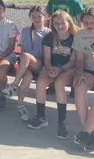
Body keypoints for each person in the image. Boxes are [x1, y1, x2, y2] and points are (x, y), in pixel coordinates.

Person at [27, 10, 77, 139]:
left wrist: (60, 69)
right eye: (56, 23)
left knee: (60, 83)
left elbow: (72, 61)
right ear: (52, 24)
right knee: (41, 82)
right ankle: (41, 117)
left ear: (68, 23)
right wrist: (49, 69)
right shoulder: (49, 37)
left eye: (62, 23)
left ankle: (62, 122)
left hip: (67, 69)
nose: (59, 26)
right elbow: (47, 58)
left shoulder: (74, 38)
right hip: (51, 67)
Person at [1, 5, 50, 122]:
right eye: (33, 16)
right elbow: (22, 49)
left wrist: (28, 58)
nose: (36, 18)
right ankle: (20, 105)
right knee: (27, 77)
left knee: (26, 56)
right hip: (25, 64)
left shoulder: (49, 33)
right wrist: (25, 61)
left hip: (39, 64)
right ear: (30, 17)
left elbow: (46, 55)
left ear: (45, 17)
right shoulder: (25, 31)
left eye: (39, 16)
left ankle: (13, 86)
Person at [73, 7, 94, 148]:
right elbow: (79, 59)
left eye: (92, 22)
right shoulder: (80, 35)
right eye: (85, 22)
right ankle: (88, 132)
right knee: (79, 87)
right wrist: (79, 74)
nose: (89, 25)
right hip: (89, 70)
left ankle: (86, 132)